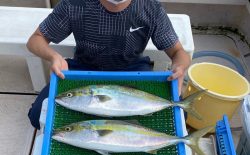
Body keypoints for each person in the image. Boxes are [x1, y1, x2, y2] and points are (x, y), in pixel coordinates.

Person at [27, 0, 191, 129]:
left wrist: (180, 67)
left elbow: (178, 52)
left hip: (132, 70)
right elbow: (35, 39)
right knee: (36, 116)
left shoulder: (151, 8)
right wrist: (54, 56)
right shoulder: (74, 3)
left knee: (179, 116)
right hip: (85, 67)